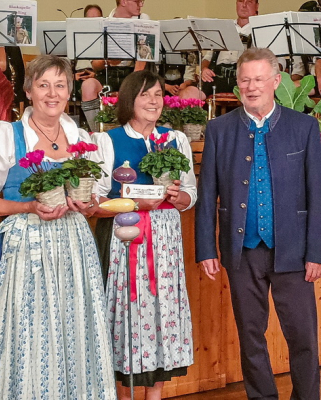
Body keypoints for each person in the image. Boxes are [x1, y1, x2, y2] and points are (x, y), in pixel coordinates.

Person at [0, 54, 117, 400]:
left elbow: (95, 201)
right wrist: (27, 207)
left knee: (75, 331)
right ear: (28, 91)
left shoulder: (80, 137)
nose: (52, 94)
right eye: (43, 85)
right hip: (25, 249)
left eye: (60, 86)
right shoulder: (7, 134)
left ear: (69, 92)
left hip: (73, 248)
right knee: (28, 332)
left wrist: (89, 205)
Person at [195, 47, 321, 399]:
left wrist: (316, 252)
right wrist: (206, 248)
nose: (251, 87)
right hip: (242, 250)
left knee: (303, 338)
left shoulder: (304, 127)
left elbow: (317, 193)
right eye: (245, 80)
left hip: (294, 251)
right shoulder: (219, 129)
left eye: (259, 79)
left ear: (276, 81)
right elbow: (207, 194)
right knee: (250, 336)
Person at [92, 70, 196, 400]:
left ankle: (155, 396)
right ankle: (123, 396)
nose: (153, 101)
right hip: (126, 239)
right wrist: (136, 203)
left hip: (165, 241)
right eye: (144, 95)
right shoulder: (108, 141)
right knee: (126, 316)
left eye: (158, 94)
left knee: (163, 315)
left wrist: (179, 198)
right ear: (129, 100)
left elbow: (190, 194)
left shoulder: (176, 139)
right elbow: (94, 201)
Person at [80, 0, 148, 131]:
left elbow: (142, 61)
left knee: (140, 88)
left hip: (132, 74)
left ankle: (132, 131)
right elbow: (96, 65)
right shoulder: (104, 23)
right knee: (88, 86)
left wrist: (126, 89)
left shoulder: (143, 19)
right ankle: (98, 131)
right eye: (137, 1)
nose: (141, 4)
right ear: (123, 1)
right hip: (108, 72)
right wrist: (108, 61)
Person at [201, 0, 258, 96]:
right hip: (215, 78)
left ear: (257, 6)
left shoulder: (260, 29)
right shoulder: (223, 27)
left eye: (249, 2)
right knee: (190, 94)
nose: (244, 5)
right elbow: (207, 57)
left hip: (243, 81)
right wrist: (204, 69)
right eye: (240, 1)